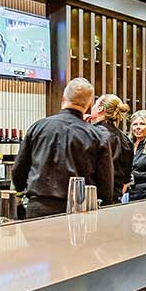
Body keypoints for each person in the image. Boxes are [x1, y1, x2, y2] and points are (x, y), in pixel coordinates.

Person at [11, 77, 113, 218]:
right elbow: (106, 186)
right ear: (89, 104)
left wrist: (21, 191)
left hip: (39, 209)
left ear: (63, 98)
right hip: (79, 211)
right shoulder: (97, 136)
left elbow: (18, 171)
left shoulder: (38, 127)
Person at [89, 94, 133, 204]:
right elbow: (126, 177)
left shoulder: (93, 134)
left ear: (100, 109)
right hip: (115, 199)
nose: (92, 107)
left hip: (94, 199)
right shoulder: (126, 139)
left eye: (95, 104)